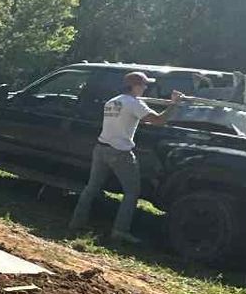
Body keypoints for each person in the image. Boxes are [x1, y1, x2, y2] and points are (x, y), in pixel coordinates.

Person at [69, 70, 178, 244]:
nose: (145, 88)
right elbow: (158, 121)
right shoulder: (133, 103)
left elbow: (131, 118)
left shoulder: (113, 101)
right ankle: (120, 231)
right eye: (143, 84)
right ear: (134, 86)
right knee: (132, 192)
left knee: (91, 187)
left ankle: (77, 222)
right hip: (120, 152)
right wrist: (174, 104)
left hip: (101, 148)